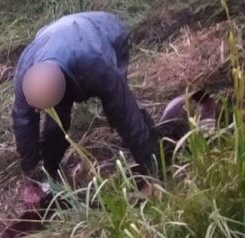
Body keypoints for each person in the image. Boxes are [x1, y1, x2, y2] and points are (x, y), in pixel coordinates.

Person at [13, 12, 160, 206]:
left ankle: (152, 155)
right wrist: (29, 176)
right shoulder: (26, 73)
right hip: (54, 37)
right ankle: (51, 172)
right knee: (55, 127)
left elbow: (126, 113)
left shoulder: (97, 65)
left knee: (118, 110)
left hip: (104, 33)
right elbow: (24, 121)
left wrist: (154, 175)